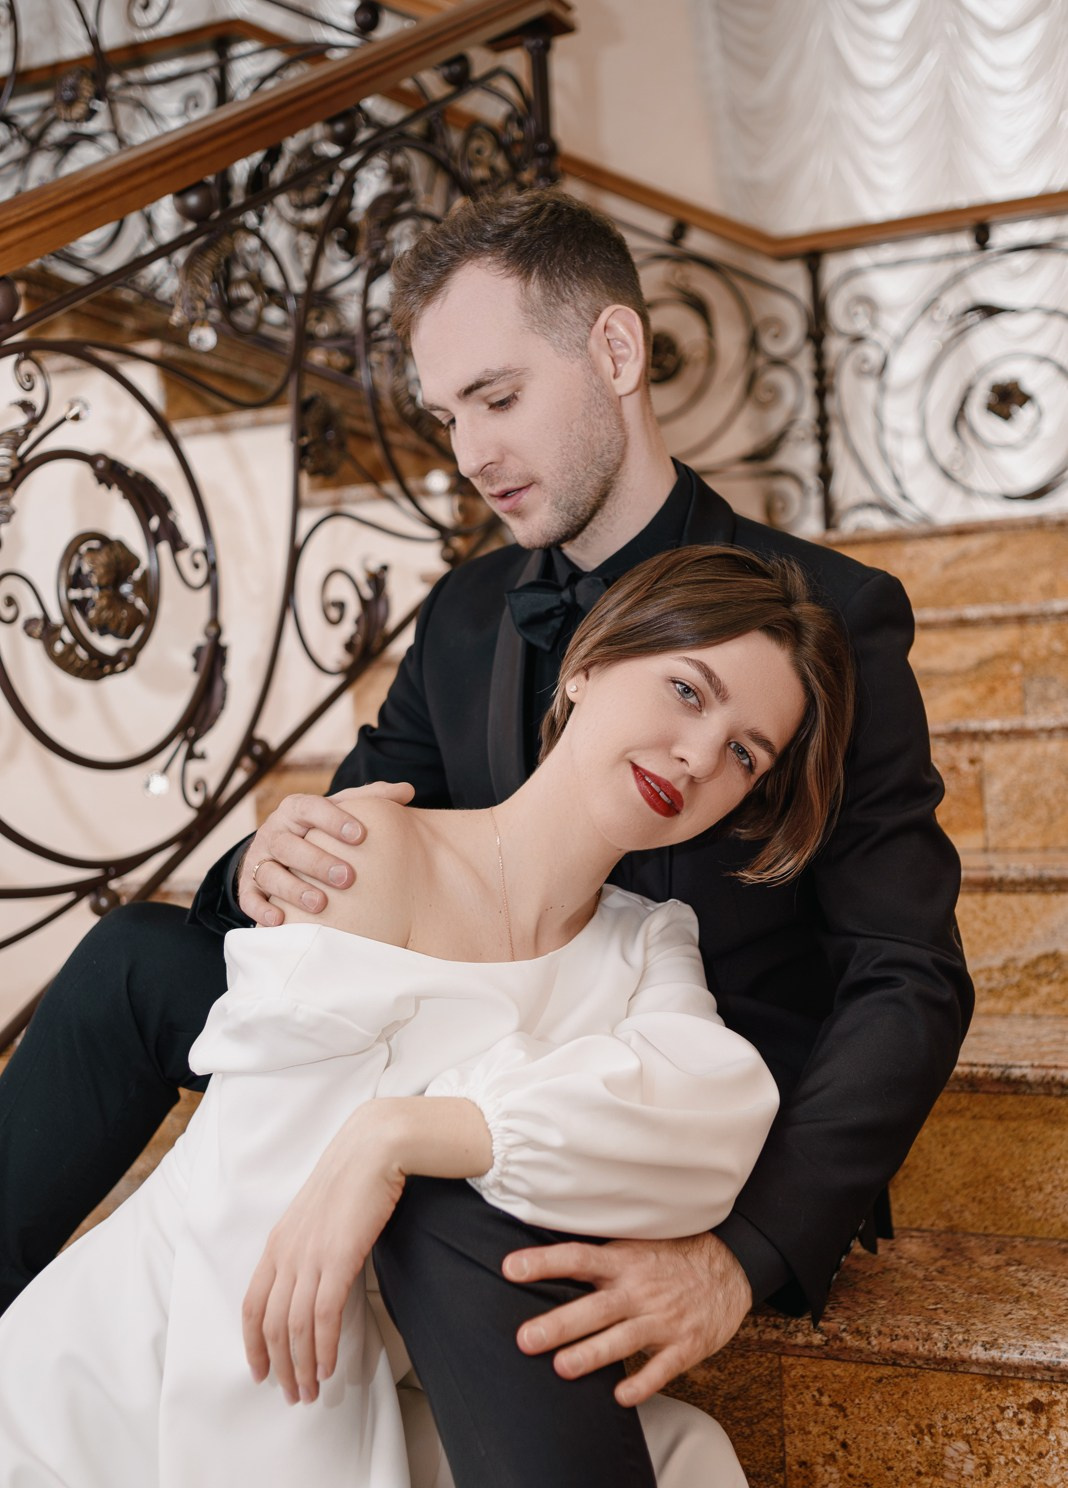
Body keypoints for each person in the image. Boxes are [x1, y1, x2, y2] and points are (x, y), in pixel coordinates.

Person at [0, 190, 972, 1488]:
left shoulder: (831, 617)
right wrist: (260, 861)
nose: (468, 450)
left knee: (452, 1201)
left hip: (654, 1090)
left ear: (615, 353)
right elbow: (348, 847)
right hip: (448, 1020)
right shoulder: (467, 611)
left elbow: (907, 973)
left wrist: (744, 1258)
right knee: (136, 958)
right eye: (447, 414)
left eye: (498, 397)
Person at [0, 546, 855, 1487]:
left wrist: (398, 1132)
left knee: (690, 1453)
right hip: (160, 1375)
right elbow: (249, 1271)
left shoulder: (651, 942)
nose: (700, 757)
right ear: (587, 665)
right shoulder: (370, 854)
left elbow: (707, 1121)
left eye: (744, 754)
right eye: (688, 691)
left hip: (369, 1360)